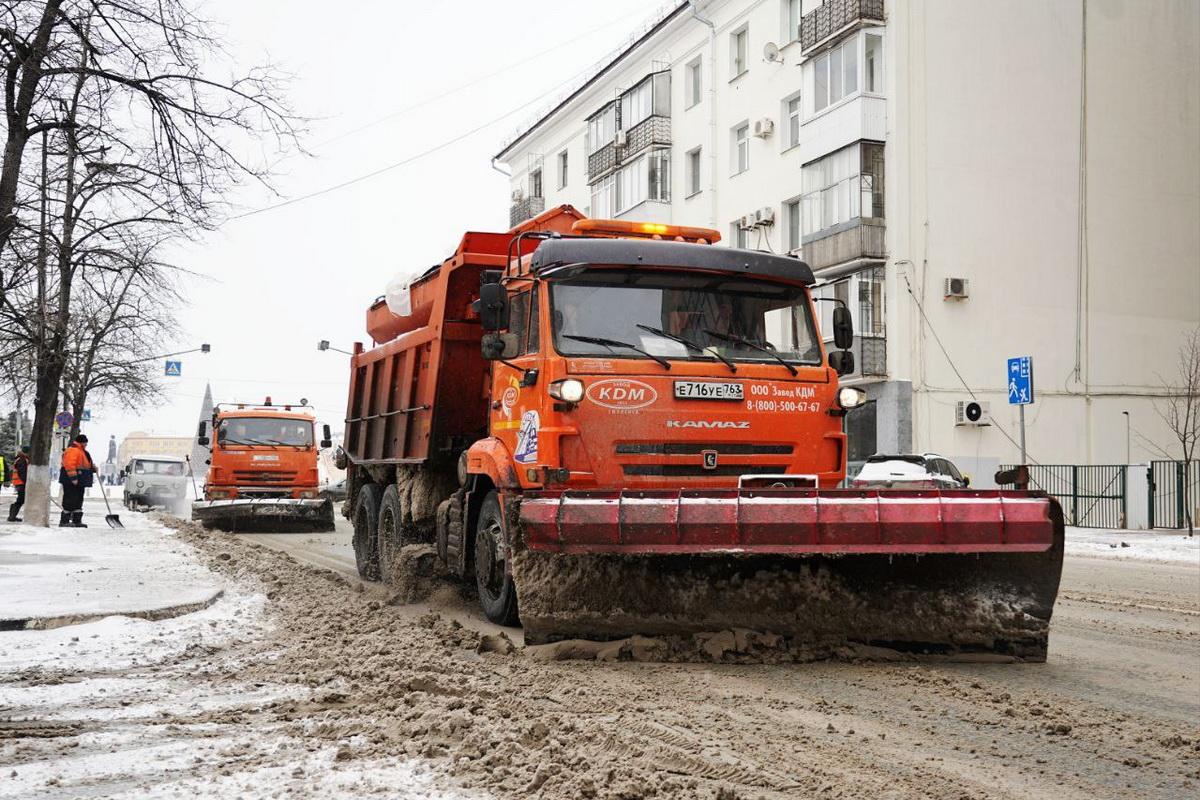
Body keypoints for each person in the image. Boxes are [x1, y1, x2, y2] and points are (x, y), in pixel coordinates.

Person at [59, 434, 96, 528]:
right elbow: (70, 465)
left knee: (78, 501)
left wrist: (92, 468)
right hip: (71, 481)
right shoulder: (73, 450)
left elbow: (83, 464)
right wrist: (73, 478)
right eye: (85, 443)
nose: (86, 445)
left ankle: (77, 521)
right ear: (81, 442)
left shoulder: (82, 451)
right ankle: (64, 521)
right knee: (70, 500)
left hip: (80, 481)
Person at [7, 446, 29, 522]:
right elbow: (23, 473)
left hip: (19, 483)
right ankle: (12, 516)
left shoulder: (20, 459)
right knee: (21, 500)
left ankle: (12, 516)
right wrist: (26, 482)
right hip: (21, 483)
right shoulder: (22, 460)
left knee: (21, 499)